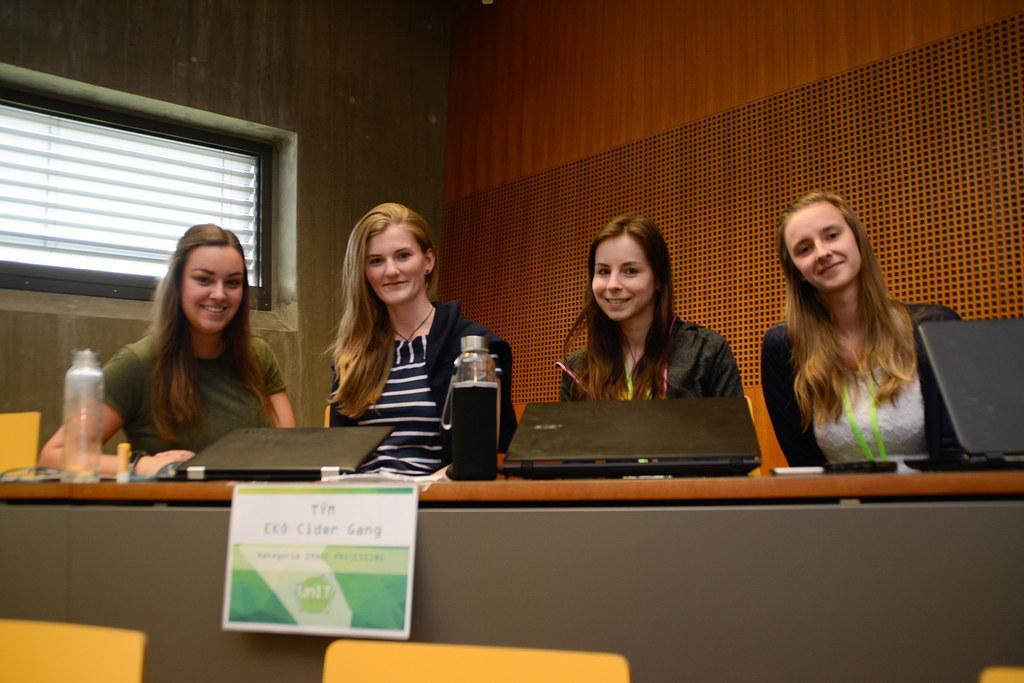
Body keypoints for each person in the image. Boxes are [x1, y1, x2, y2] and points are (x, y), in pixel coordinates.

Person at [39, 224, 295, 476]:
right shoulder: (136, 364)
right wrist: (140, 466)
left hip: (252, 502)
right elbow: (53, 456)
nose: (219, 294)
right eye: (204, 280)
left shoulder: (258, 355)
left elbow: (291, 453)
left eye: (232, 282)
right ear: (178, 284)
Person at [761, 191, 961, 469]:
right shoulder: (784, 348)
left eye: (832, 235)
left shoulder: (935, 328)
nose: (822, 252)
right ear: (796, 271)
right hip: (839, 498)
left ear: (857, 240)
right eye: (804, 249)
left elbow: (959, 455)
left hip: (937, 496)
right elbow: (803, 464)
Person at [328, 202, 516, 475]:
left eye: (403, 256)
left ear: (428, 261)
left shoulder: (475, 349)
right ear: (364, 272)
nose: (391, 271)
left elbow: (477, 461)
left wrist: (418, 490)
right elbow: (339, 461)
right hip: (361, 498)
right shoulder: (353, 355)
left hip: (435, 497)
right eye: (376, 261)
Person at [558, 216, 742, 401]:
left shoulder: (706, 352)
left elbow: (731, 421)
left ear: (659, 279)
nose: (612, 284)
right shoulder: (577, 370)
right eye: (603, 271)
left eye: (630, 271)